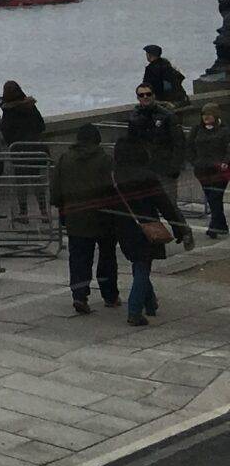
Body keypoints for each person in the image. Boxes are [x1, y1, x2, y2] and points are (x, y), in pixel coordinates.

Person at [111, 118, 186, 327]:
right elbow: (164, 204)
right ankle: (135, 310)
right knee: (143, 265)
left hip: (123, 225)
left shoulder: (115, 176)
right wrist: (178, 227)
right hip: (146, 224)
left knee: (139, 262)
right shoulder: (147, 176)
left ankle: (150, 302)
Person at [51, 122, 123, 313]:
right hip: (104, 216)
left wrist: (61, 206)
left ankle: (79, 295)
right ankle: (110, 294)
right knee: (107, 257)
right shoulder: (106, 160)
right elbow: (114, 188)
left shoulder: (65, 158)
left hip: (75, 215)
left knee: (79, 258)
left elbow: (56, 189)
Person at [0, 82, 51, 223]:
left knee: (21, 182)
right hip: (35, 148)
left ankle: (23, 213)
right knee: (37, 181)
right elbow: (41, 125)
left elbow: (6, 131)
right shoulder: (30, 106)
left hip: (19, 151)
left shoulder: (9, 112)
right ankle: (44, 212)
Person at [190, 104, 230, 239]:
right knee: (211, 197)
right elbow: (189, 146)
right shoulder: (196, 130)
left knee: (215, 197)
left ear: (216, 115)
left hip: (220, 171)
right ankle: (221, 225)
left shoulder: (225, 131)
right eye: (204, 114)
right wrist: (193, 161)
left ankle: (214, 226)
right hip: (202, 170)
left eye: (209, 114)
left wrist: (225, 162)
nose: (206, 117)